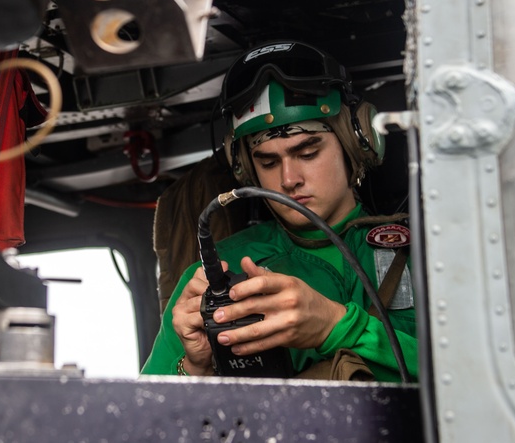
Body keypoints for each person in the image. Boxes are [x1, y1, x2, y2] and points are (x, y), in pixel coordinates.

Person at [140, 40, 418, 382]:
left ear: (357, 142)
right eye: (268, 161)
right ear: (244, 169)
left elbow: (473, 378)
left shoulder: (423, 252)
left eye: (307, 152)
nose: (289, 179)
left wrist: (336, 327)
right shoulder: (213, 275)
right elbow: (154, 419)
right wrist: (195, 367)